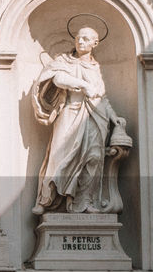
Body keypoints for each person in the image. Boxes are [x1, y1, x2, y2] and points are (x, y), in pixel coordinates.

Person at [31, 24, 129, 214]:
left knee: (93, 158)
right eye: (78, 37)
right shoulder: (64, 61)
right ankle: (46, 200)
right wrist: (83, 85)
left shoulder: (95, 67)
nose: (80, 41)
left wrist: (114, 117)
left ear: (95, 43)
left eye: (85, 38)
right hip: (69, 112)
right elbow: (57, 79)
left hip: (95, 117)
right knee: (58, 157)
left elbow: (101, 96)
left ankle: (84, 202)